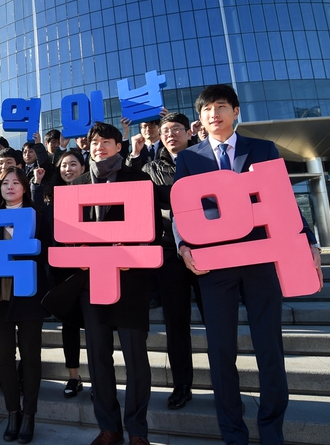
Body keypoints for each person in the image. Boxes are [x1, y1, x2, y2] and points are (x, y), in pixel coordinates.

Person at [173, 84, 323, 445]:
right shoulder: (190, 158)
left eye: (221, 106)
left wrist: (310, 241)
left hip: (260, 258)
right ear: (201, 119)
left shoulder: (263, 148)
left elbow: (283, 197)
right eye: (207, 109)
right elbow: (182, 210)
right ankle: (233, 432)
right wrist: (183, 246)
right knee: (220, 350)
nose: (214, 114)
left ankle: (272, 430)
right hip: (214, 265)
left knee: (269, 345)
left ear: (236, 112)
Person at [72, 122, 160, 445]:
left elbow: (155, 232)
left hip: (130, 280)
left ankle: (137, 430)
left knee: (136, 356)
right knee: (97, 357)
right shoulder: (77, 185)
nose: (99, 148)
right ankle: (108, 427)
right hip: (91, 283)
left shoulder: (138, 180)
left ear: (119, 147)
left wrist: (130, 254)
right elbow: (66, 235)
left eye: (106, 142)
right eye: (95, 143)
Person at [0, 167, 51, 444]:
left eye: (16, 182)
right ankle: (13, 412)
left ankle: (30, 415)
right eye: (5, 182)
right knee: (5, 359)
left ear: (24, 187)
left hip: (29, 295)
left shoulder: (38, 215)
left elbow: (46, 250)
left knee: (31, 358)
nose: (10, 187)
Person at [140, 113, 202, 411]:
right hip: (169, 255)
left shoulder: (206, 160)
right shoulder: (151, 169)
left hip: (208, 251)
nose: (170, 134)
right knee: (176, 325)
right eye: (165, 130)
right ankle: (182, 385)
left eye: (176, 129)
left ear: (189, 132)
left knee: (218, 323)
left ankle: (228, 388)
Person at [44, 149, 86, 398]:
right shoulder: (53, 199)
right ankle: (73, 377)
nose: (68, 169)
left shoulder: (95, 192)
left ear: (83, 167)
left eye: (73, 164)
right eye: (63, 166)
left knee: (95, 328)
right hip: (63, 273)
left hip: (92, 270)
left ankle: (103, 379)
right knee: (69, 327)